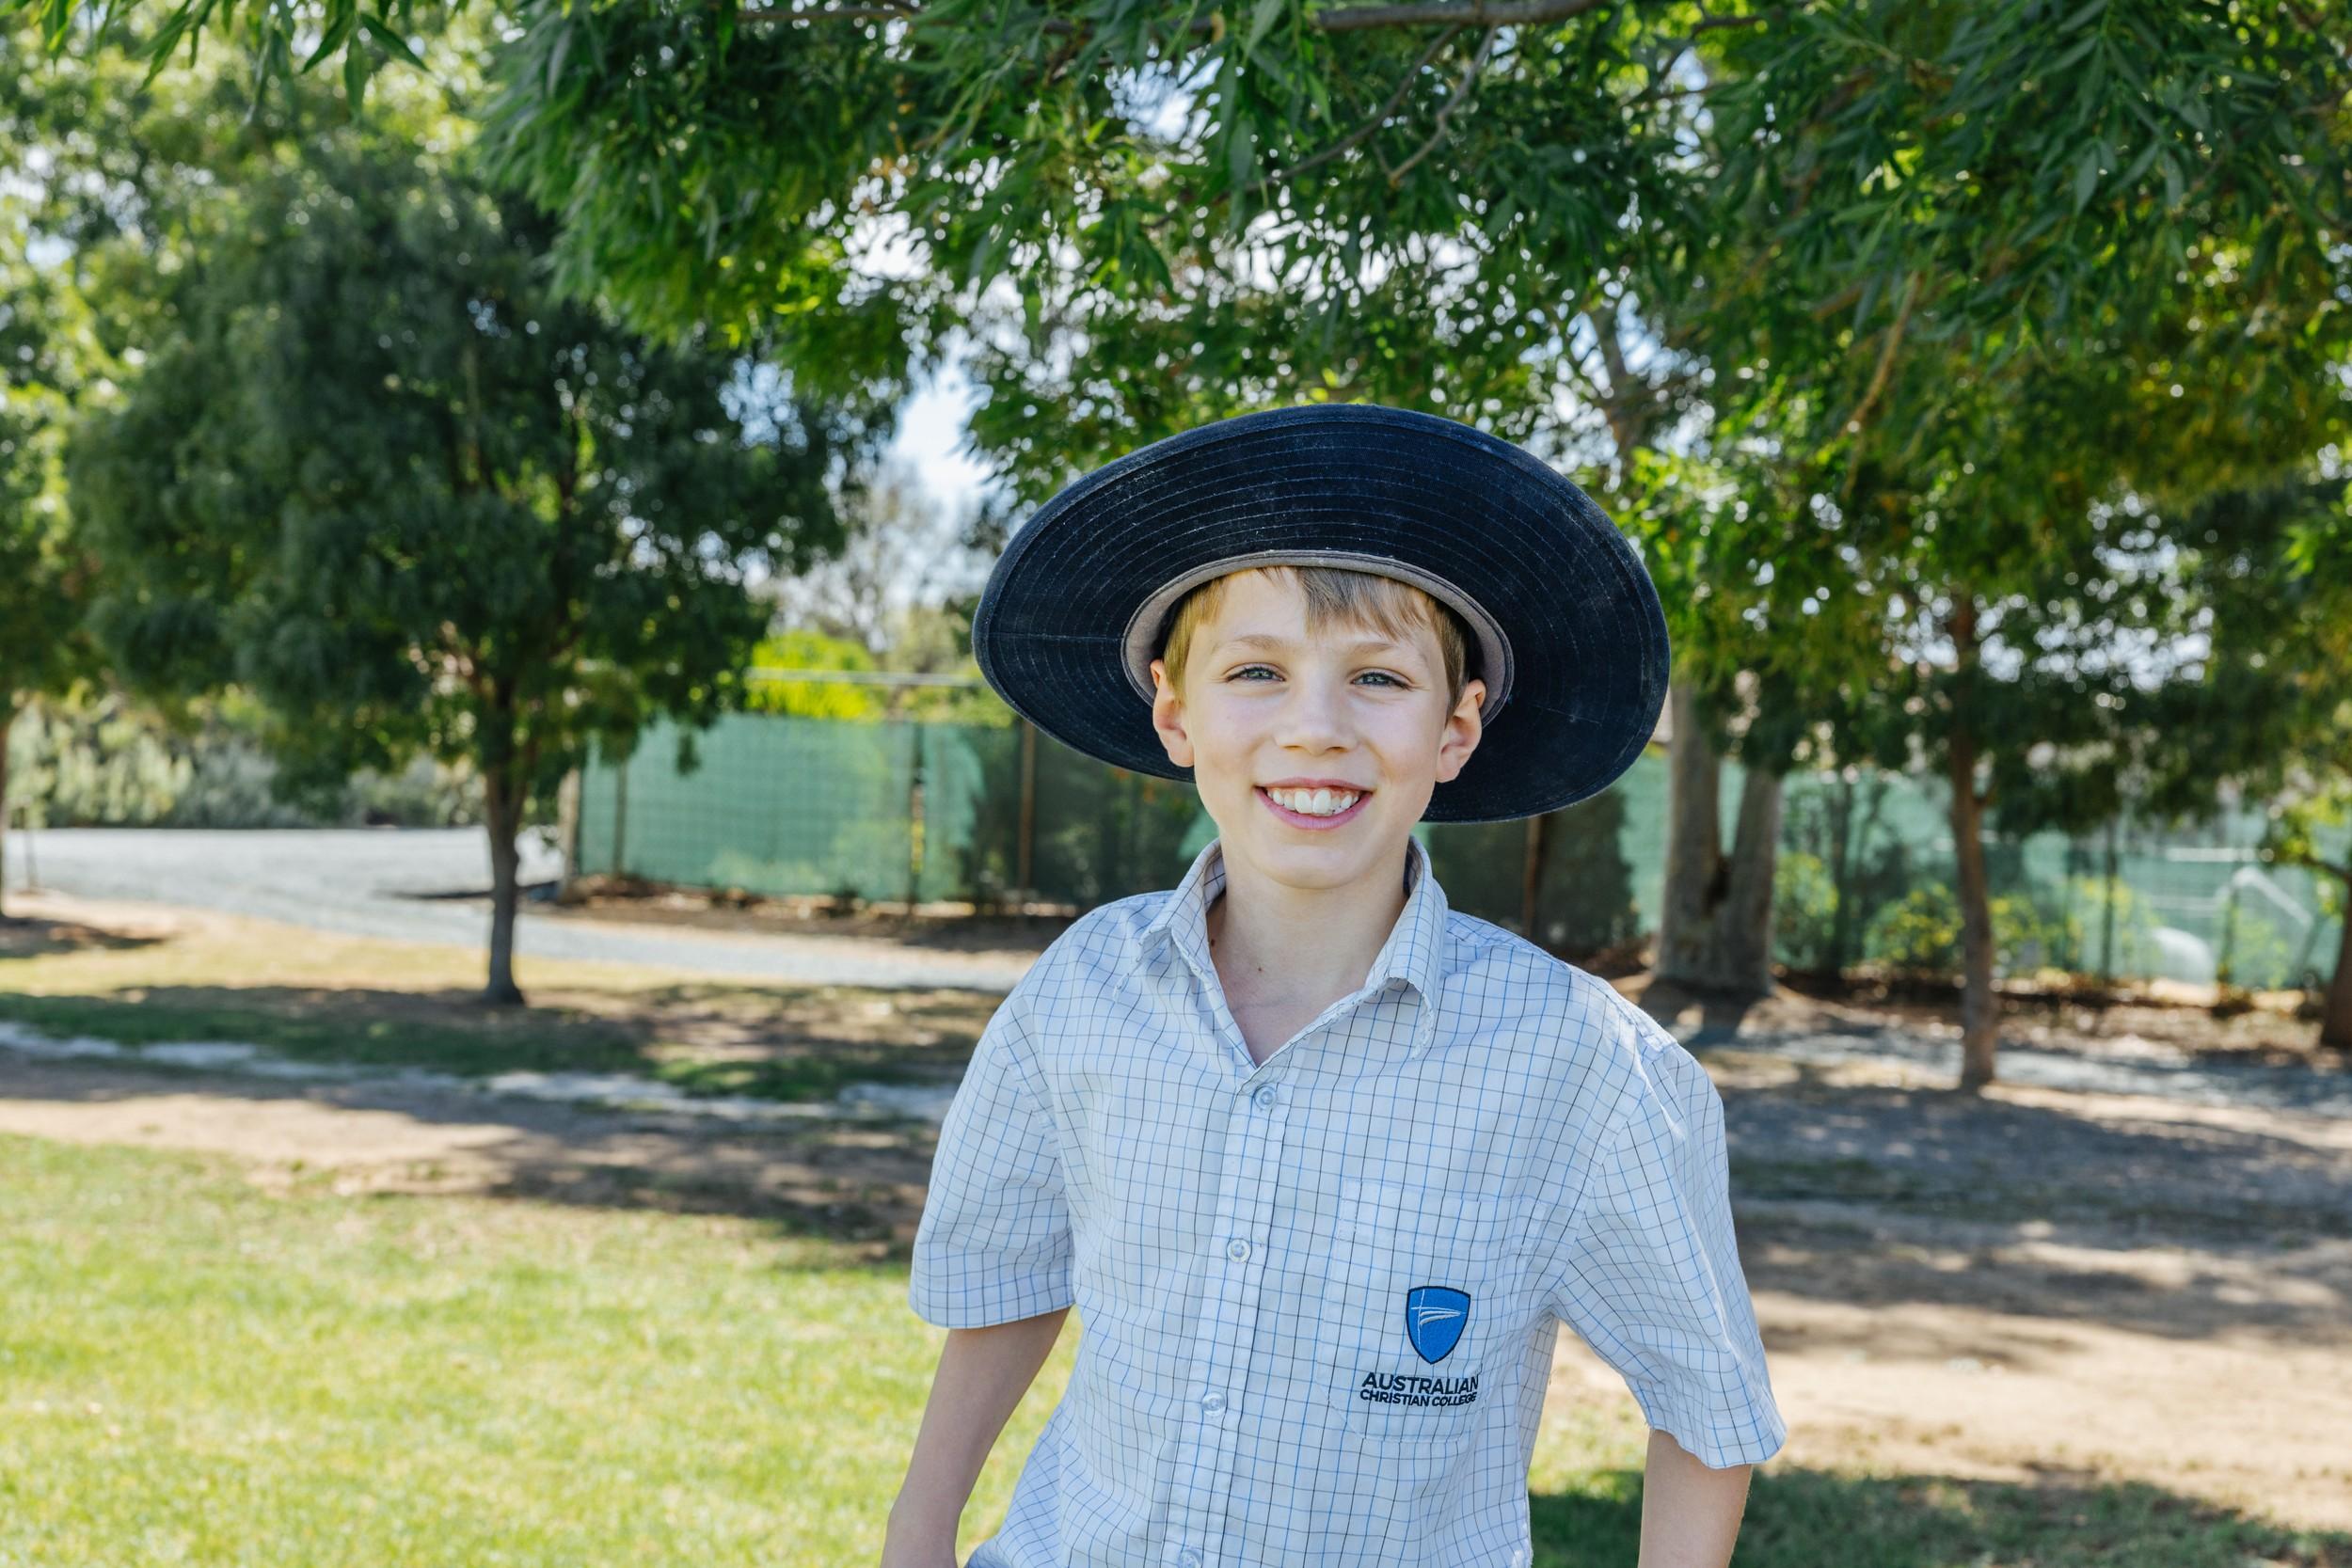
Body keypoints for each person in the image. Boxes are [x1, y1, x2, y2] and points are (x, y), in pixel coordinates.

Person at [882, 404, 1786, 1568]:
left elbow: (1705, 1400)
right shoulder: (1083, 995)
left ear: (1457, 728)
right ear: (1175, 710)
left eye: (1377, 678)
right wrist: (919, 1533)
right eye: (1256, 670)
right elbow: (1010, 1282)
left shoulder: (1583, 1068)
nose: (1314, 728)